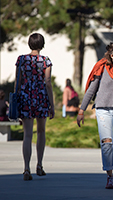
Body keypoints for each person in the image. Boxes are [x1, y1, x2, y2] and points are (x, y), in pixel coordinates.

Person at [77, 42, 113, 189]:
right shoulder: (101, 67)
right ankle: (109, 176)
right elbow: (91, 90)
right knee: (107, 143)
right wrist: (81, 110)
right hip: (103, 110)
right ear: (112, 56)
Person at [14, 33, 55, 181]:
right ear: (42, 44)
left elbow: (17, 81)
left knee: (27, 134)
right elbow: (48, 82)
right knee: (41, 132)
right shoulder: (46, 61)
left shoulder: (21, 59)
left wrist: (16, 99)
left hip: (25, 97)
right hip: (41, 98)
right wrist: (52, 104)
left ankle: (26, 168)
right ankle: (39, 165)